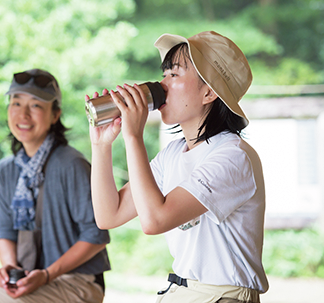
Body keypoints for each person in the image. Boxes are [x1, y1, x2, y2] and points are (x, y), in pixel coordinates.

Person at [86, 31, 269, 303]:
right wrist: (101, 146)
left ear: (209, 92)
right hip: (183, 293)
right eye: (164, 74)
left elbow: (154, 220)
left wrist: (133, 136)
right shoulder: (173, 153)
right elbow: (108, 215)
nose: (162, 84)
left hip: (223, 296)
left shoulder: (233, 156)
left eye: (174, 74)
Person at [0, 68, 111, 303]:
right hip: (31, 280)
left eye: (35, 105)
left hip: (78, 282)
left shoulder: (71, 164)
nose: (23, 115)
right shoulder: (6, 170)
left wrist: (47, 275)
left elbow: (96, 236)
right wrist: (9, 270)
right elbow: (5, 230)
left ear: (55, 115)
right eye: (16, 104)